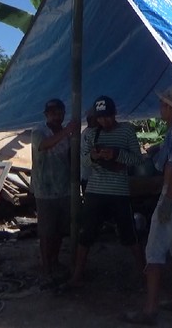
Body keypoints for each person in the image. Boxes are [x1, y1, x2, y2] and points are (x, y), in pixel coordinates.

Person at [124, 87, 172, 325]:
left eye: (163, 105)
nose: (160, 109)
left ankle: (150, 309)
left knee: (154, 251)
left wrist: (167, 199)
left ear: (170, 108)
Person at [64, 95, 145, 289]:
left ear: (114, 114)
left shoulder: (126, 131)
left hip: (119, 192)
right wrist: (93, 156)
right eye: (100, 118)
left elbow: (138, 160)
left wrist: (117, 155)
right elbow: (82, 161)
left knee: (129, 235)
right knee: (86, 234)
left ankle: (144, 274)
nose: (104, 121)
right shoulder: (91, 134)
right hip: (95, 191)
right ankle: (77, 275)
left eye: (107, 117)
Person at [31, 98, 78, 288]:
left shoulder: (67, 135)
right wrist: (67, 131)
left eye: (59, 113)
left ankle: (55, 260)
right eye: (53, 113)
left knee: (59, 229)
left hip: (64, 188)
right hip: (45, 189)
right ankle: (45, 264)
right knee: (46, 230)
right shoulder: (39, 131)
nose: (57, 116)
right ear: (47, 115)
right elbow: (44, 145)